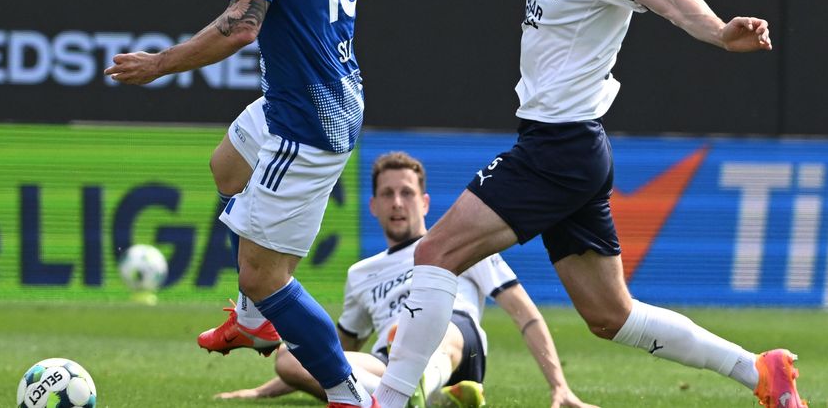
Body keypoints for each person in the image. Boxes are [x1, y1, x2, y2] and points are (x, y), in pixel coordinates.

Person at [369, 0, 804, 408]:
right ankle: (761, 372)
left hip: (556, 147)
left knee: (432, 255)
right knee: (611, 315)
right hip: (573, 148)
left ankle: (388, 399)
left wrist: (720, 31)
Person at [103, 0, 430, 408]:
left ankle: (348, 394)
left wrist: (159, 64)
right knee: (226, 167)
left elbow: (241, 26)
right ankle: (254, 320)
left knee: (263, 275)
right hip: (303, 101)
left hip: (306, 122)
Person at [214, 151, 596, 408]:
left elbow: (524, 314)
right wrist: (263, 391)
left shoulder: (458, 242)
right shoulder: (361, 274)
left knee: (425, 324)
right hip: (386, 363)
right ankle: (430, 399)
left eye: (407, 193)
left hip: (454, 344)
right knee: (289, 357)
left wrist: (559, 386)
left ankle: (415, 389)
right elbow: (328, 353)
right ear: (374, 206)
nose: (397, 202)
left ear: (424, 202)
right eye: (388, 194)